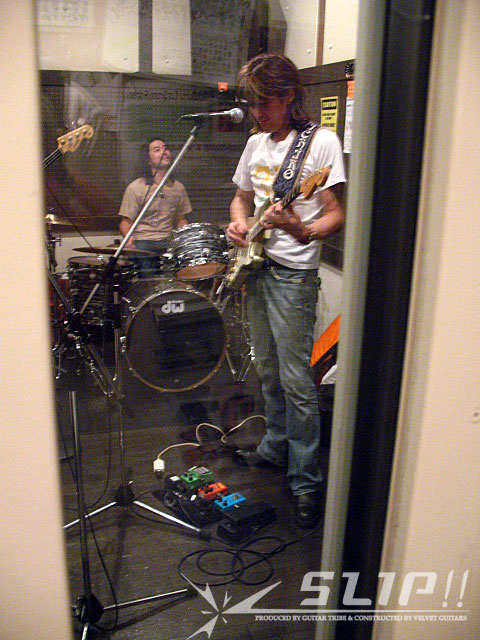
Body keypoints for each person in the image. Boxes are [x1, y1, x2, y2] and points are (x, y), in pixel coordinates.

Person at [227, 53, 346, 528]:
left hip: (293, 276)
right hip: (256, 269)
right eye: (253, 104)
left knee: (298, 382)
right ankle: (275, 447)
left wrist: (301, 229)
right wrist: (240, 223)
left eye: (265, 103)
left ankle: (306, 480)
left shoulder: (320, 143)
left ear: (289, 95)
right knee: (267, 367)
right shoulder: (255, 143)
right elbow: (241, 197)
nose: (257, 113)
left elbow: (336, 213)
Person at [119, 138, 192, 277]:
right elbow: (125, 222)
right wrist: (129, 241)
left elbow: (181, 219)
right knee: (147, 274)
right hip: (143, 241)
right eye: (157, 150)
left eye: (166, 148)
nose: (164, 152)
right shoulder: (136, 187)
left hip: (168, 240)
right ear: (147, 159)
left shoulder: (178, 187)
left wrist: (186, 238)